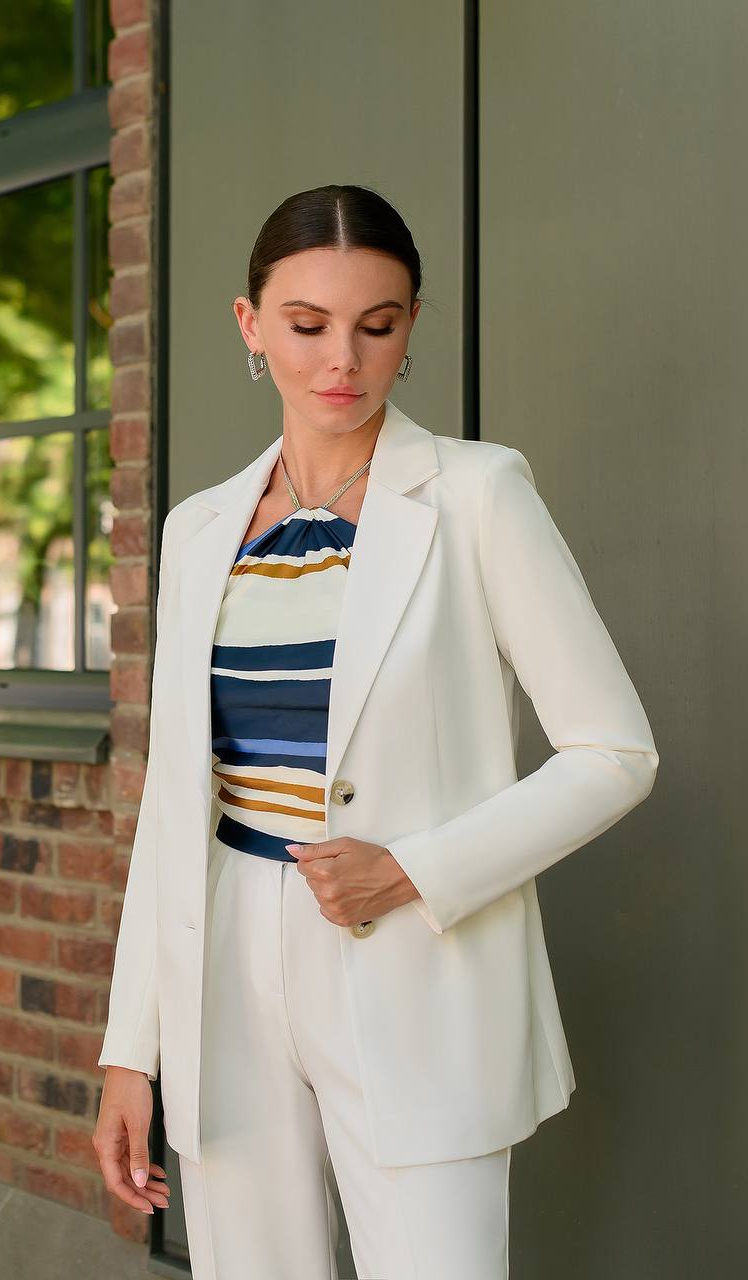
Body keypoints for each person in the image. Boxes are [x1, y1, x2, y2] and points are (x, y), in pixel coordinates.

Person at [92, 184, 659, 1279]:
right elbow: (173, 800)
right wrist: (132, 1047)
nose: (341, 359)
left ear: (409, 325)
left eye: (378, 323)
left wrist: (410, 867)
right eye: (305, 325)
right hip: (221, 964)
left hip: (413, 955)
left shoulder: (480, 495)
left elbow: (614, 750)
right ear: (250, 326)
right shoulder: (198, 527)